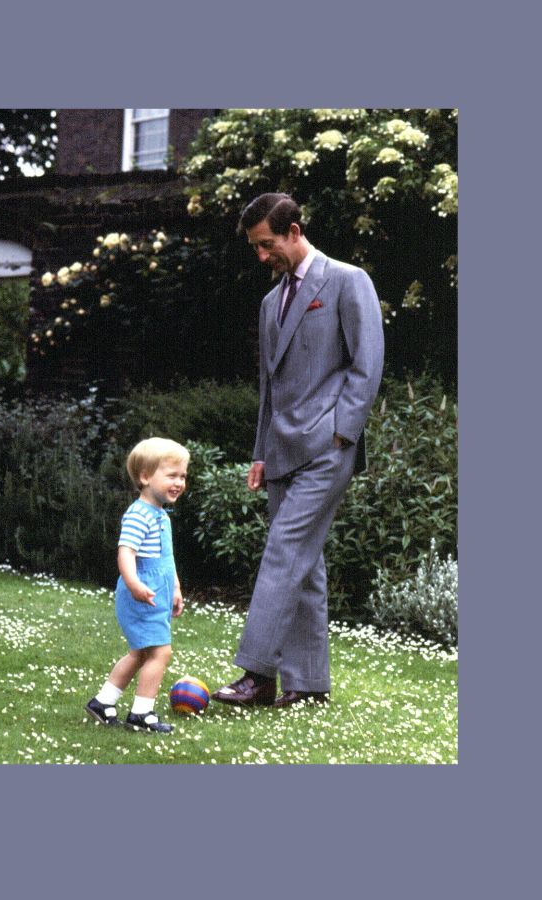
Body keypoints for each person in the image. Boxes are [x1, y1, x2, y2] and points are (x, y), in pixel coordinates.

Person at [213, 193, 384, 709]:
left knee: (284, 552)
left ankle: (258, 675)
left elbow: (367, 363)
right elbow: (270, 387)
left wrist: (342, 433)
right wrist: (261, 453)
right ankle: (307, 685)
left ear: (294, 230)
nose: (262, 256)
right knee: (304, 566)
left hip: (327, 449)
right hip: (281, 452)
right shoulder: (271, 302)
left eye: (267, 245)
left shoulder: (348, 280)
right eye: (256, 248)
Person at [85, 437, 190, 733]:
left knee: (140, 652)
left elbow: (166, 559)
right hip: (141, 594)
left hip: (156, 593)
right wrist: (134, 585)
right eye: (171, 475)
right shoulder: (139, 515)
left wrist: (176, 589)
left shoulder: (161, 516)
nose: (179, 482)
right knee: (160, 652)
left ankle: (103, 702)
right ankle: (142, 712)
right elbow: (126, 552)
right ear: (145, 477)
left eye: (182, 476)